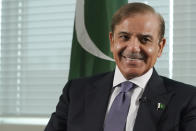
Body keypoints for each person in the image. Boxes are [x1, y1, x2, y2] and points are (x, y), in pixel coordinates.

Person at [45, 2, 196, 131]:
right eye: (124, 37)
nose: (133, 48)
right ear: (112, 41)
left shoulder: (187, 99)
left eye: (145, 39)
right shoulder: (76, 91)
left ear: (160, 47)